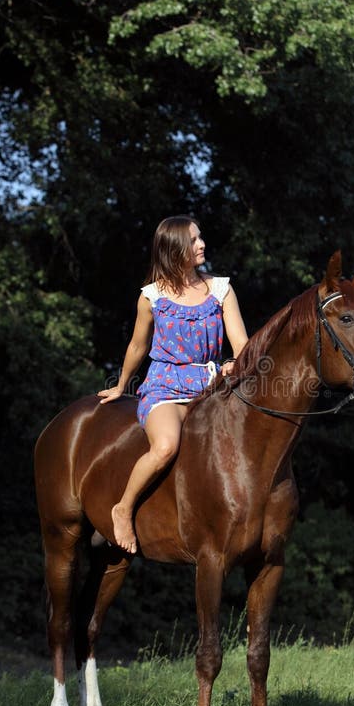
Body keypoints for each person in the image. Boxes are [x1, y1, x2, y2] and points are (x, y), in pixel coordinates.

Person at [97, 215, 249, 553]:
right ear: (174, 248)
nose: (202, 244)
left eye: (200, 237)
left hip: (211, 389)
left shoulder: (221, 289)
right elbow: (137, 346)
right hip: (165, 388)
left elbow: (242, 347)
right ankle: (123, 508)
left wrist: (232, 365)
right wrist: (122, 385)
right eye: (193, 240)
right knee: (165, 446)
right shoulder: (150, 297)